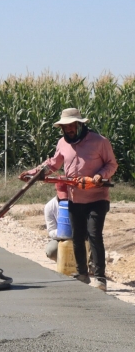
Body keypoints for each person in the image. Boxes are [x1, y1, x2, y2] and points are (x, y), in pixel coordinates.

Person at [20, 108, 118, 291]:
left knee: (94, 235)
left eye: (72, 126)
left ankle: (99, 278)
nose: (69, 130)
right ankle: (82, 274)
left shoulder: (100, 142)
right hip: (75, 198)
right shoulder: (62, 143)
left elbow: (112, 164)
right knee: (78, 236)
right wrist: (33, 173)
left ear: (80, 124)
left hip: (97, 197)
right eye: (65, 127)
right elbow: (52, 164)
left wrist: (99, 176)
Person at [43, 182, 68, 261]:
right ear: (56, 191)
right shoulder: (50, 207)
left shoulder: (80, 202)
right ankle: (64, 263)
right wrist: (64, 232)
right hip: (60, 238)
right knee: (51, 251)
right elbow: (51, 231)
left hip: (80, 236)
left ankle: (90, 264)